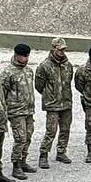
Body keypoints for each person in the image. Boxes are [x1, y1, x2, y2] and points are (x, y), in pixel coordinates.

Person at [34, 37, 75, 167]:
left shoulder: (68, 65)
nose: (62, 51)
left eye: (64, 49)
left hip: (66, 103)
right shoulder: (44, 66)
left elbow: (70, 81)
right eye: (60, 49)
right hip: (52, 105)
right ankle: (44, 154)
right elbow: (39, 85)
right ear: (53, 49)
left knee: (65, 129)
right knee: (51, 131)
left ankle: (61, 152)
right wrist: (49, 95)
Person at [1, 44, 38, 176]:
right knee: (20, 138)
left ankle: (23, 160)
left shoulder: (28, 71)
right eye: (23, 56)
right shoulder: (8, 72)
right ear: (16, 55)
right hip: (16, 112)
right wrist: (5, 112)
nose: (26, 58)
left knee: (28, 136)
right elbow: (2, 94)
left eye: (27, 55)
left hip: (28, 111)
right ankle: (16, 164)